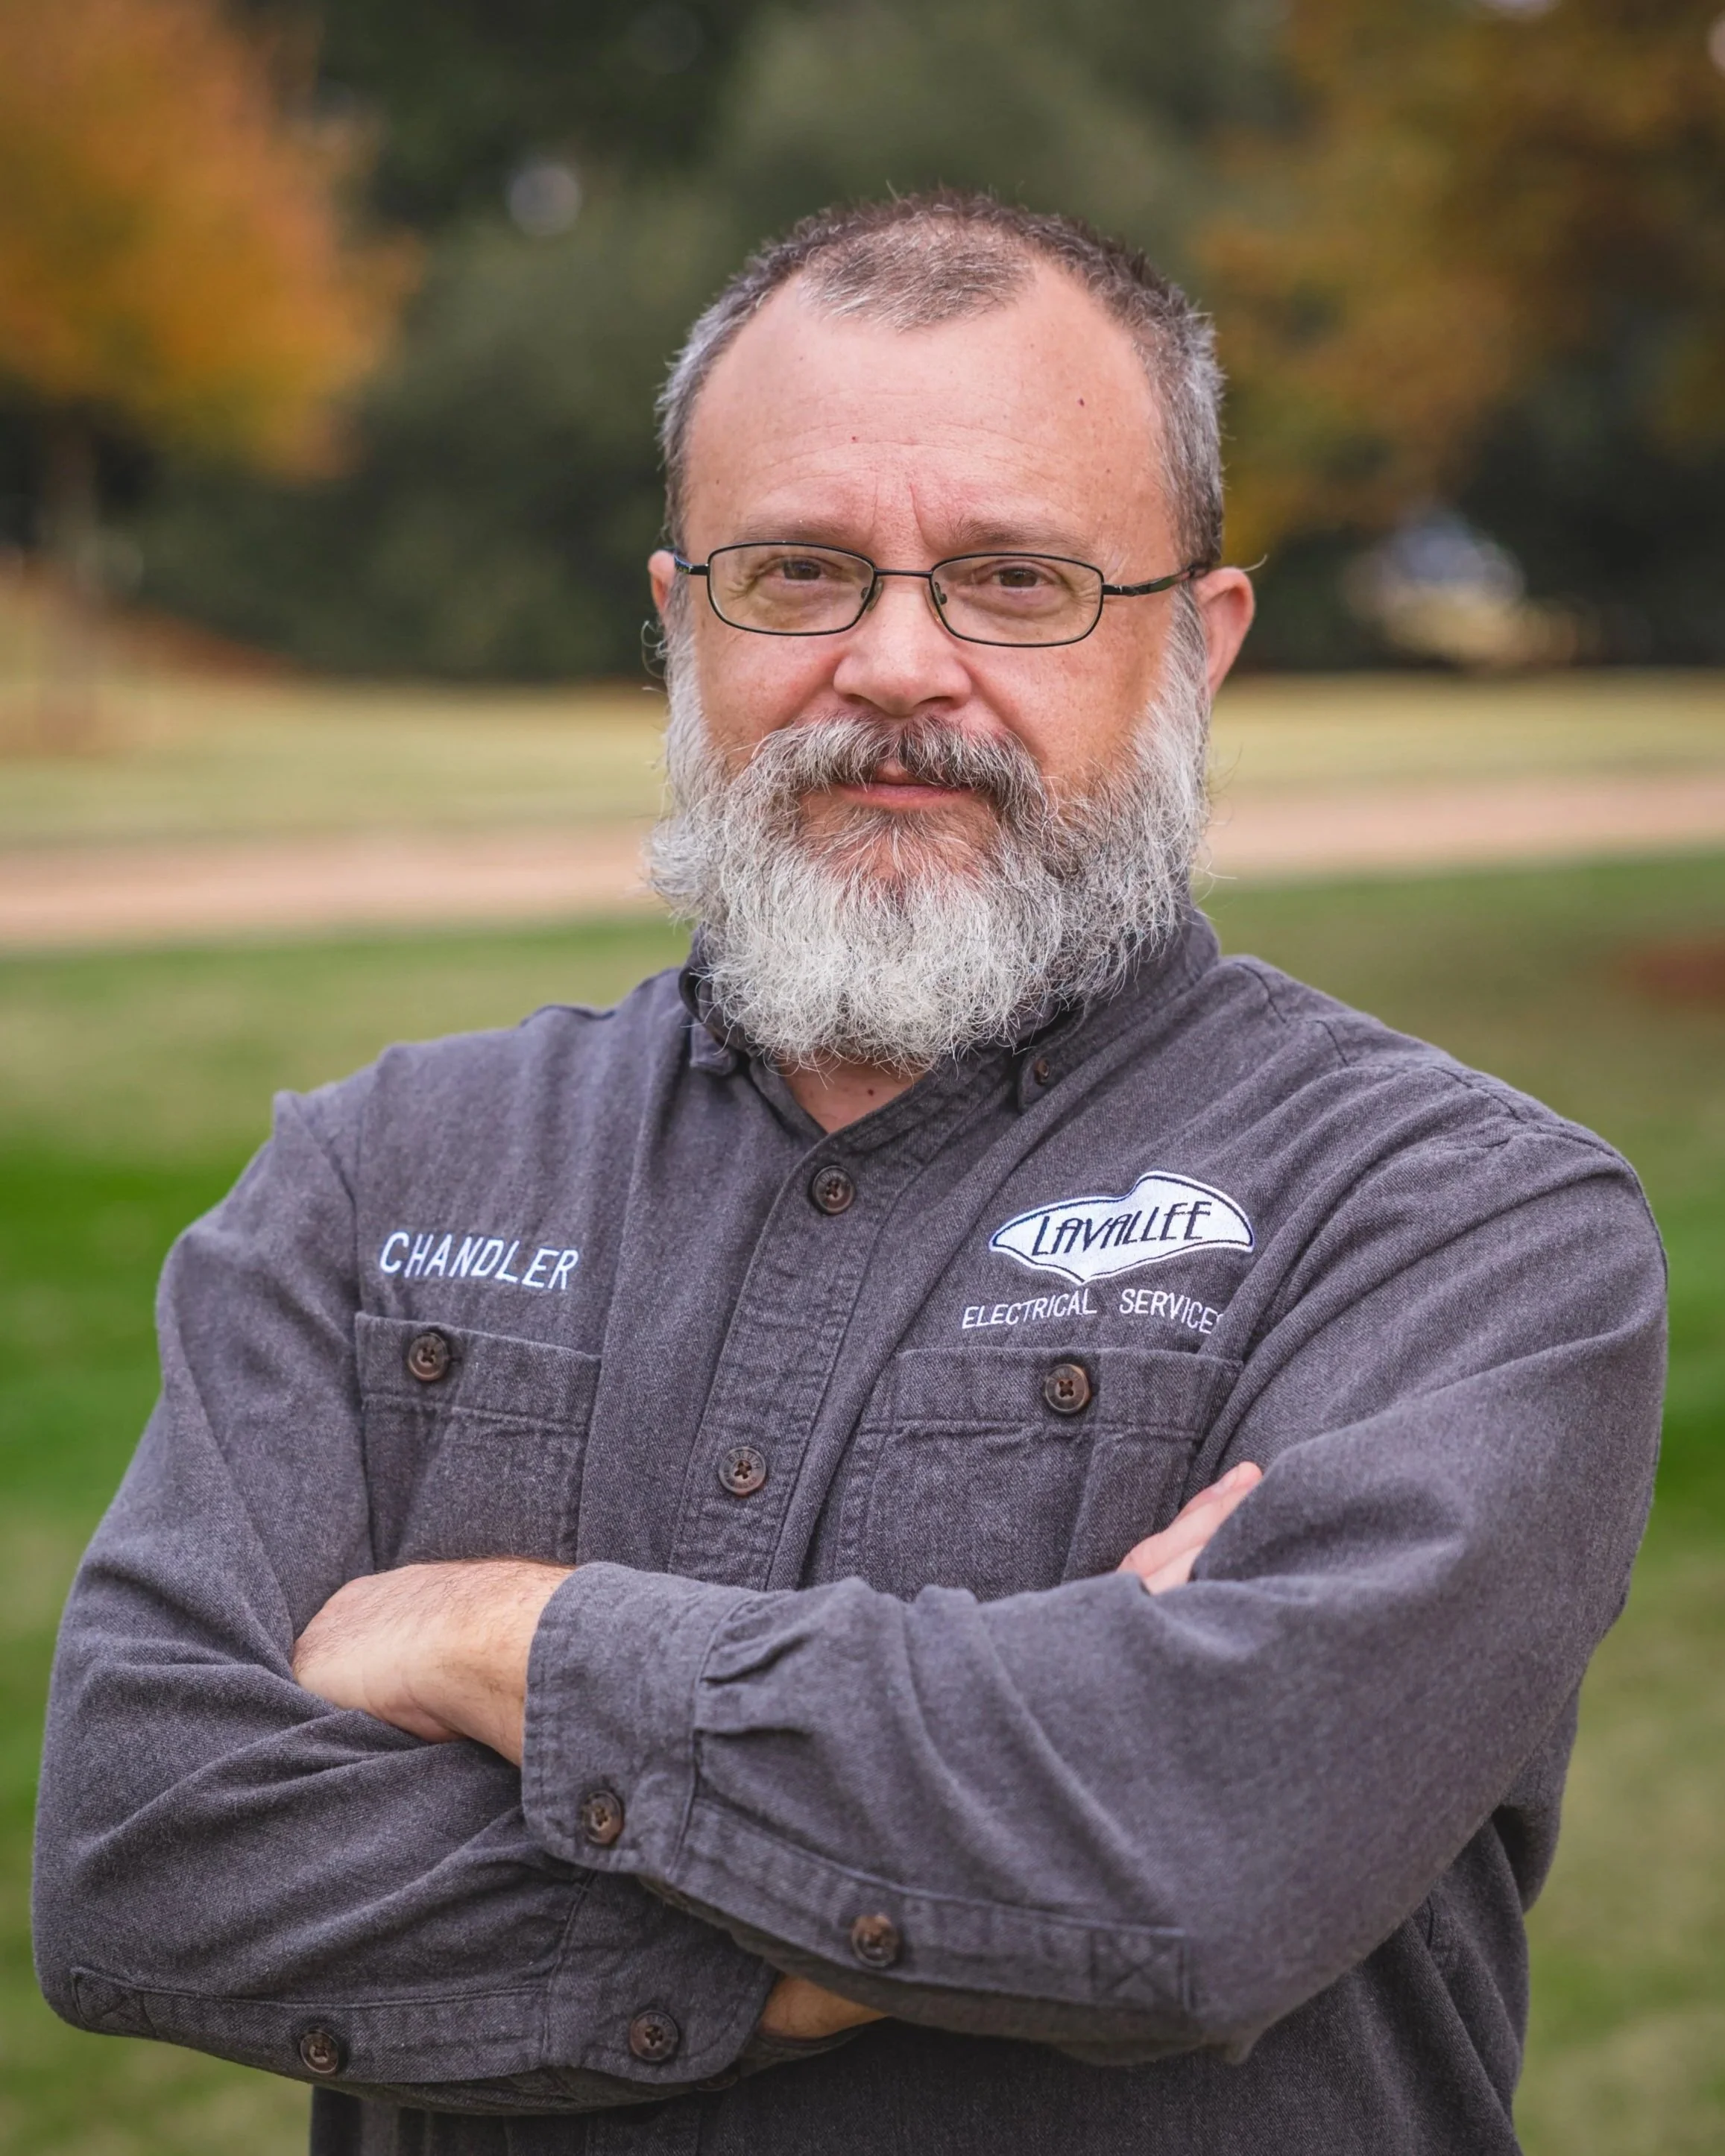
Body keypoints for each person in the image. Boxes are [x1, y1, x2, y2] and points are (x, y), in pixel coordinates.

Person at [35, 193, 1663, 2156]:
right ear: (679, 621)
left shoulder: (1457, 1224)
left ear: (1199, 646)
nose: (898, 664)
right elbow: (145, 1853)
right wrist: (876, 1925)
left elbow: (1193, 1856)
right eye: (800, 571)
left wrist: (502, 1646)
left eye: (1015, 580)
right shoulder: (375, 1178)